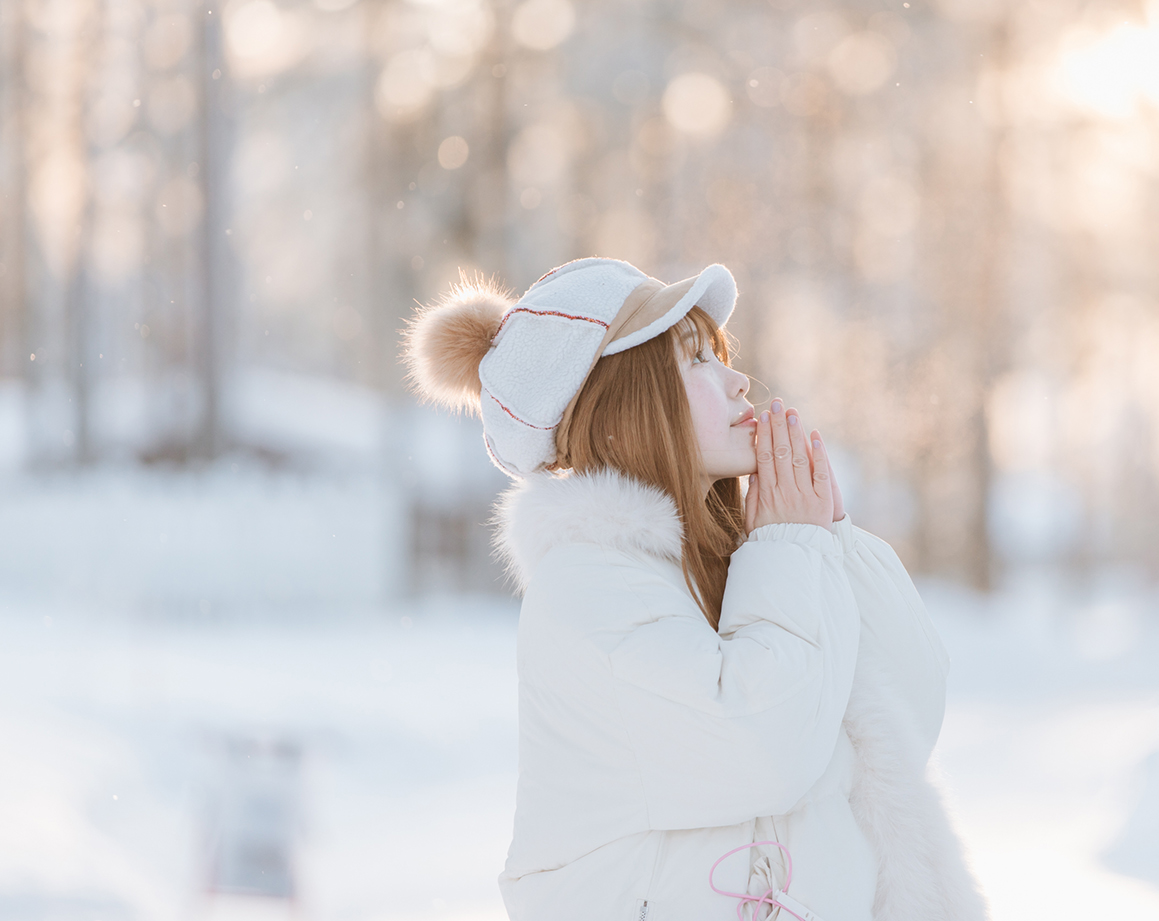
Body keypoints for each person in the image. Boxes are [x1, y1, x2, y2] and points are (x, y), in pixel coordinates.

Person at [402, 257, 987, 920]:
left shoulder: (746, 568)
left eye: (720, 353)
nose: (740, 380)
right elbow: (764, 748)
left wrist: (828, 536)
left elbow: (909, 705)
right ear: (626, 400)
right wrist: (791, 547)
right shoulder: (585, 590)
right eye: (698, 360)